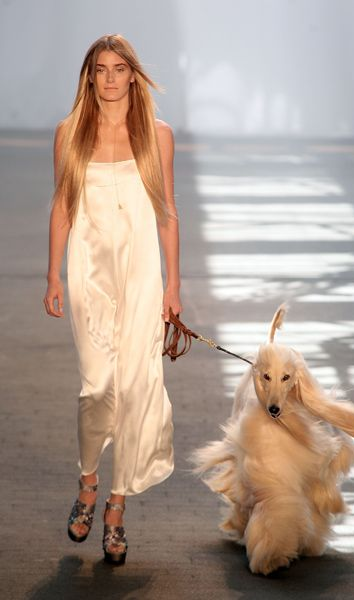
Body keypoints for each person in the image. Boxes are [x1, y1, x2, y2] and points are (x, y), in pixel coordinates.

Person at [43, 33, 182, 565]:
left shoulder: (157, 135)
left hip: (142, 272)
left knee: (135, 387)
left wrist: (173, 284)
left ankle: (116, 506)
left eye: (119, 69)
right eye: (100, 69)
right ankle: (88, 481)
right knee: (98, 385)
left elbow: (167, 212)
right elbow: (62, 205)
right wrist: (53, 275)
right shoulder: (70, 133)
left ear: (133, 75)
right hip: (89, 271)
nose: (109, 79)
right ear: (90, 76)